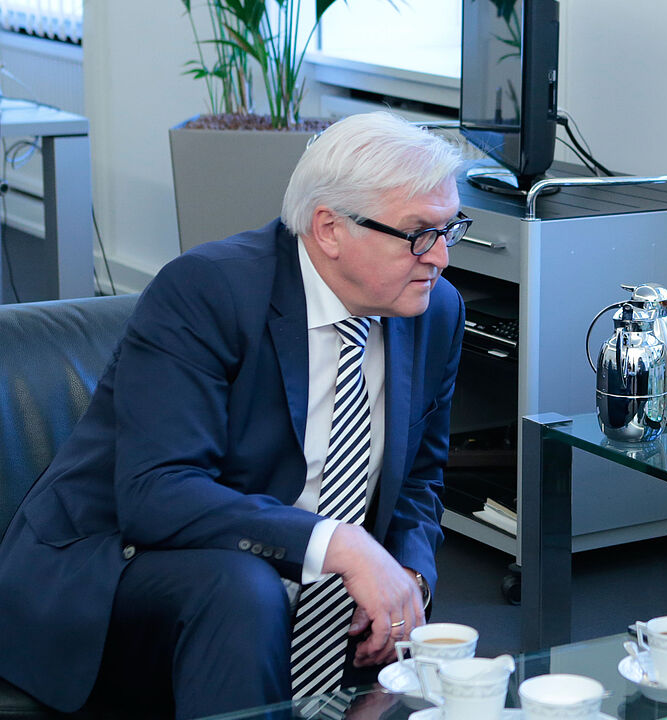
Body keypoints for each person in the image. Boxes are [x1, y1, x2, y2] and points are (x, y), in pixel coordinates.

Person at [0, 111, 468, 718]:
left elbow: (421, 480)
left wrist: (407, 579)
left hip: (302, 591)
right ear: (329, 228)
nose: (441, 258)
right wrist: (344, 546)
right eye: (418, 234)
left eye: (450, 228)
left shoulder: (435, 312)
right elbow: (157, 494)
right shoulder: (207, 291)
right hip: (117, 570)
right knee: (242, 590)